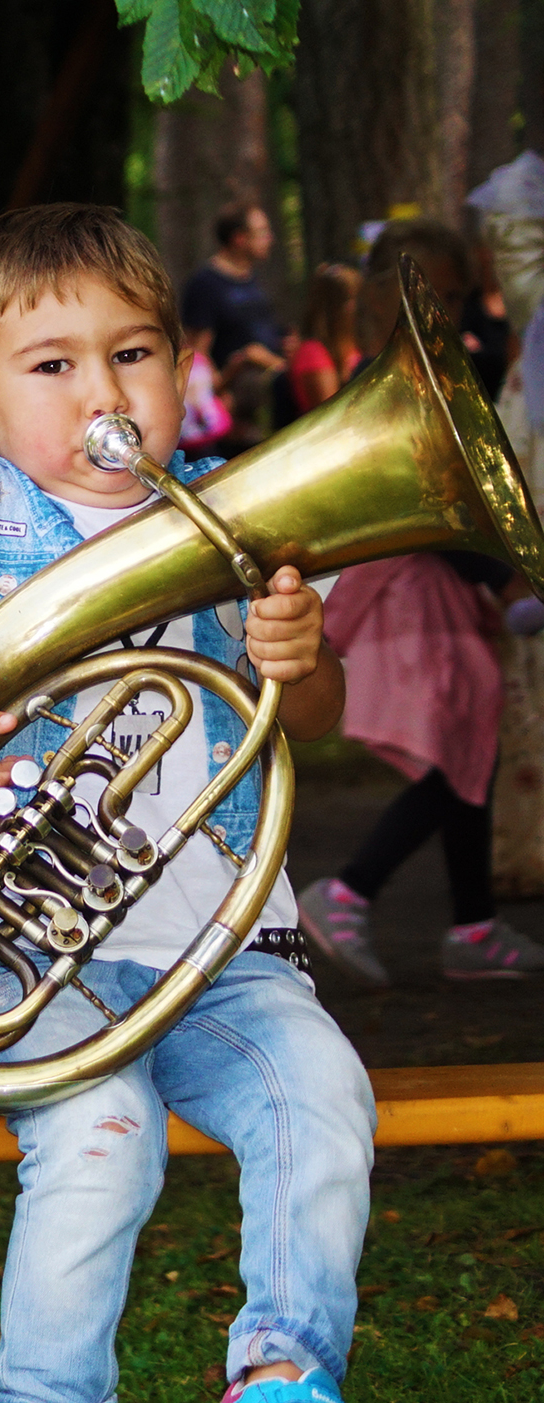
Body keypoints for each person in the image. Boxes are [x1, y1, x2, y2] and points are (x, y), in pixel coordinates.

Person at [0, 202, 371, 1403]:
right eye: (50, 365)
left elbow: (319, 721)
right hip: (23, 953)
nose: (100, 388)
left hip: (225, 951)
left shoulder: (239, 506)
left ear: (180, 366)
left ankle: (280, 1368)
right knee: (104, 1141)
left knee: (322, 1093)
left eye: (132, 352)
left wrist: (300, 656)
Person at [297, 218, 544, 984]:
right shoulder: (396, 381)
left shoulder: (415, 370)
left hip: (428, 582)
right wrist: (500, 580)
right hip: (415, 584)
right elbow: (439, 499)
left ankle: (472, 925)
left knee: (469, 744)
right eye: (446, 289)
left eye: (463, 291)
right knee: (459, 750)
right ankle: (346, 890)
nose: (460, 304)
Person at [181, 202, 288, 449]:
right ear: (239, 238)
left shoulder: (254, 280)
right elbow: (197, 352)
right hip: (233, 413)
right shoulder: (206, 285)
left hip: (267, 399)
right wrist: (219, 390)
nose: (269, 238)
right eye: (261, 232)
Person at [288, 263, 360, 413]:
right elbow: (332, 414)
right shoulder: (312, 352)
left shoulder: (356, 344)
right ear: (336, 307)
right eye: (355, 299)